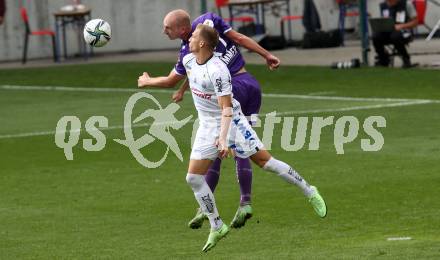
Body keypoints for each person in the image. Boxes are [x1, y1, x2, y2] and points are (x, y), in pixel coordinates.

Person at [141, 24, 327, 252]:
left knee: (265, 163)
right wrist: (163, 85)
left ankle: (310, 191)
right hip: (207, 124)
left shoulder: (219, 71)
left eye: (194, 36)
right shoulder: (190, 59)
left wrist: (223, 139)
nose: (189, 39)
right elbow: (183, 76)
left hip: (232, 121)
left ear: (202, 43)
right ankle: (217, 225)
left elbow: (227, 109)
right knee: (193, 178)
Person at [138, 9, 281, 229]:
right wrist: (266, 54)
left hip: (233, 89)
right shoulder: (209, 24)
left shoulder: (189, 48)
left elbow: (183, 76)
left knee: (215, 146)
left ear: (183, 29)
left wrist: (147, 82)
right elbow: (235, 42)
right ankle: (245, 201)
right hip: (251, 84)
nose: (164, 30)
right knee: (244, 147)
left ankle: (205, 208)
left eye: (168, 27)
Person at [373, 0, 418, 68]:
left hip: (404, 31)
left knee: (395, 36)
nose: (389, 3)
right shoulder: (383, 5)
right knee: (375, 36)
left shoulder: (407, 4)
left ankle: (406, 58)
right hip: (388, 31)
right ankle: (383, 59)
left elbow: (415, 22)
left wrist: (402, 26)